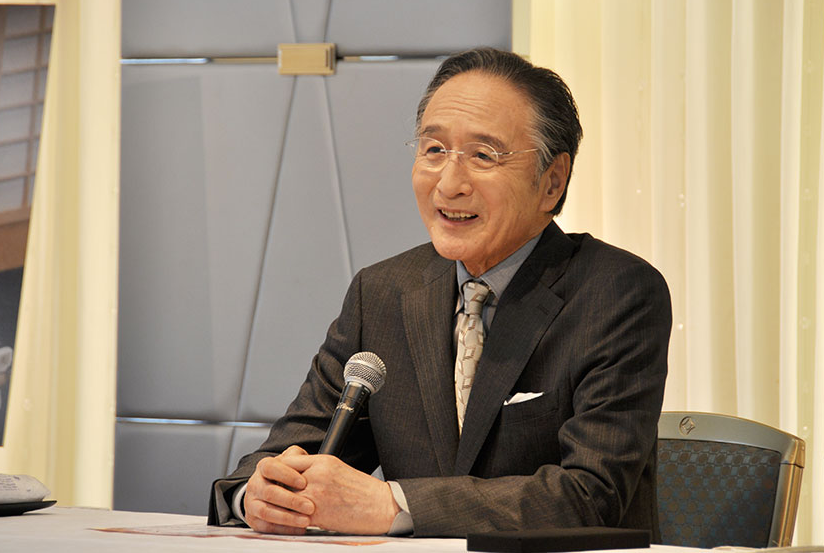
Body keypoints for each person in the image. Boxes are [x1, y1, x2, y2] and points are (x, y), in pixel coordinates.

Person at [208, 48, 671, 538]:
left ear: (551, 182)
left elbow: (591, 495)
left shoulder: (615, 293)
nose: (449, 185)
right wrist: (258, 494)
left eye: (483, 156)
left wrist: (393, 504)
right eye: (434, 150)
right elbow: (291, 453)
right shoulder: (383, 293)